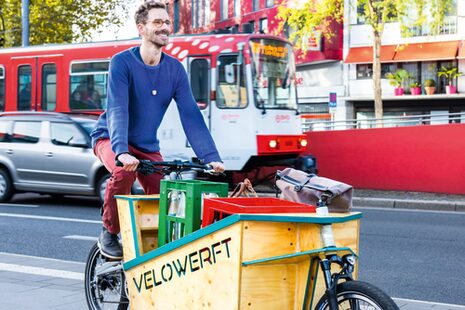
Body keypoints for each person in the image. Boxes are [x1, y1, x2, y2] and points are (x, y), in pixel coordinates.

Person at [90, 1, 225, 259]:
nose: (165, 27)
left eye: (166, 22)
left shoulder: (174, 69)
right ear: (141, 28)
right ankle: (109, 231)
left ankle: (157, 253)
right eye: (157, 22)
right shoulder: (122, 63)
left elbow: (190, 115)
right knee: (123, 172)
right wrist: (120, 152)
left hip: (145, 146)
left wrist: (211, 157)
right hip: (111, 138)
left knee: (167, 195)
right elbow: (118, 108)